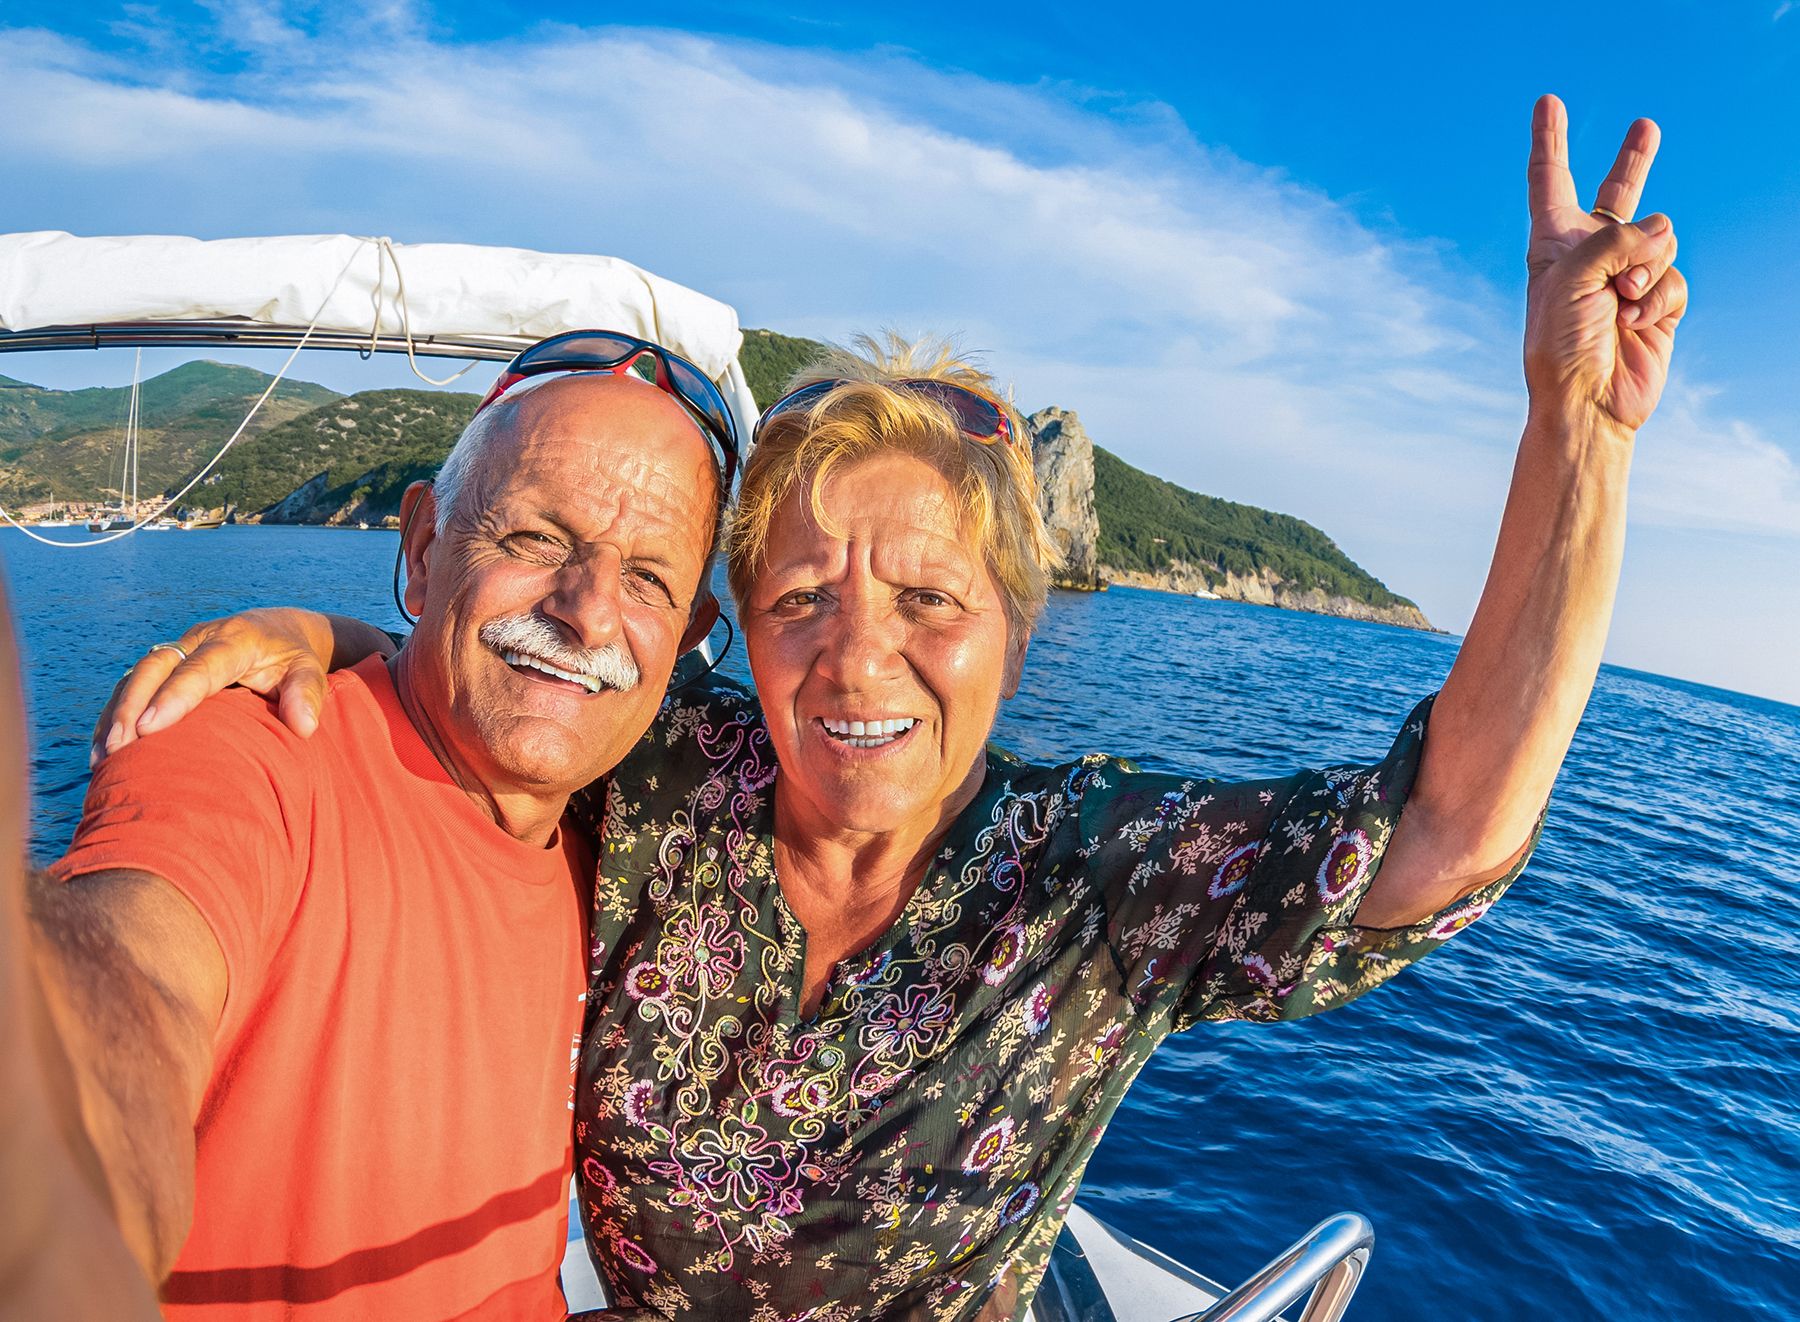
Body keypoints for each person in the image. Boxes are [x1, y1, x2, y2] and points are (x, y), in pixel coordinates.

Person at [82, 97, 1686, 1319]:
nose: (857, 661)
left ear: (1018, 624)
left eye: (929, 602)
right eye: (801, 601)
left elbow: (1447, 825)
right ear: (743, 630)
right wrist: (349, 639)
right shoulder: (667, 784)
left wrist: (1578, 437)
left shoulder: (1091, 879)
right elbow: (535, 680)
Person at [0, 335, 739, 1320]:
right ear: (425, 549)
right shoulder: (255, 749)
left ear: (687, 635)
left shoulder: (637, 843)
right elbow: (138, 985)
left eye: (648, 577)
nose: (591, 614)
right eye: (535, 538)